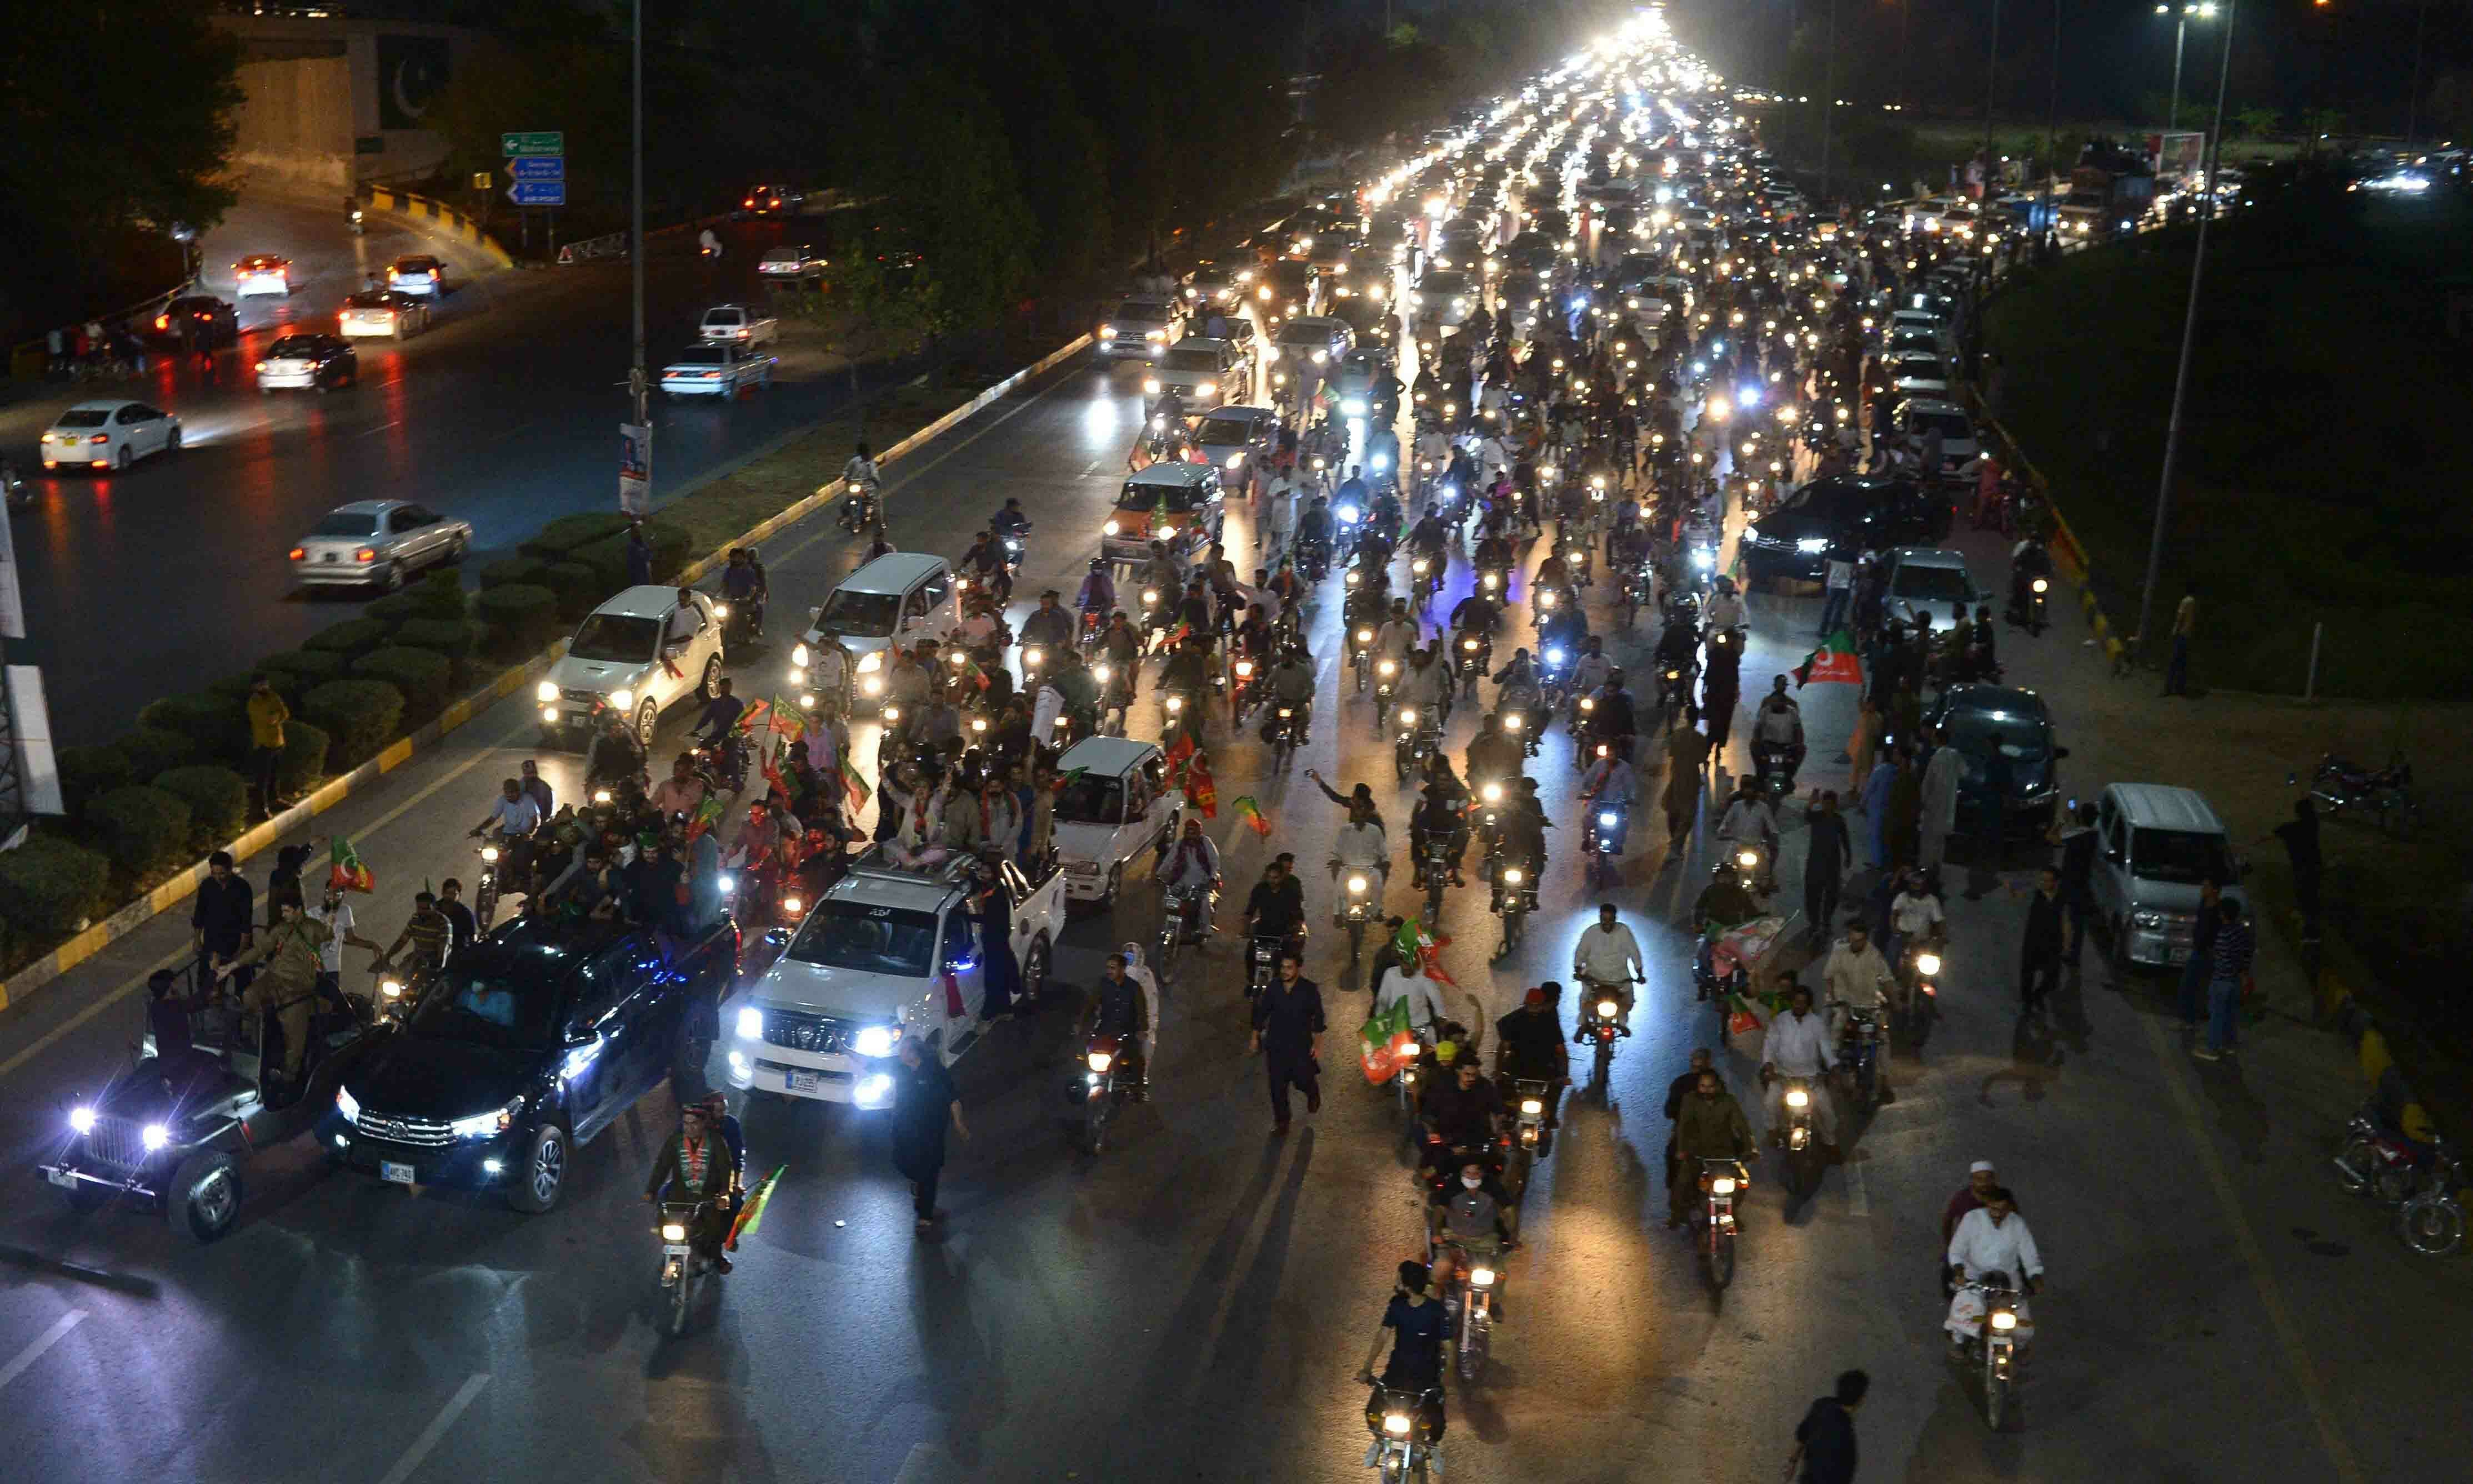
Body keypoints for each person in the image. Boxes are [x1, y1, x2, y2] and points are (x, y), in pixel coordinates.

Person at [213, 899, 332, 1087]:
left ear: (299, 910)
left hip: (298, 986)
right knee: (250, 995)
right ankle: (254, 1043)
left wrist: (329, 914)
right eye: (283, 911)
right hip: (274, 978)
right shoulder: (281, 930)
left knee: (294, 1033)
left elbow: (329, 934)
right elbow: (260, 949)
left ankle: (288, 1078)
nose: (283, 915)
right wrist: (232, 966)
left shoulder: (312, 928)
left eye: (287, 911)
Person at [1355, 1260, 1451, 1452]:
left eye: (1398, 1277)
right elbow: (1383, 1336)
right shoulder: (1397, 1305)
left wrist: (1448, 1377)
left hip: (1426, 1377)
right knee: (1372, 1413)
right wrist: (1367, 1368)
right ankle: (1379, 1440)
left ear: (1407, 1286)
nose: (1395, 1280)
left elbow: (1449, 1346)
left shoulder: (1436, 1311)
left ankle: (1432, 1446)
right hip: (1396, 1372)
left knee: (1437, 1423)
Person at [1944, 1187, 2045, 1351]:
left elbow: (2030, 1256)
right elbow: (1957, 1250)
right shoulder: (1972, 1220)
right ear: (1987, 1205)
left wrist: (2035, 1277)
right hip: (1974, 1280)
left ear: (2010, 1209)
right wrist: (1958, 1270)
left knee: (2023, 1330)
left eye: (2003, 1210)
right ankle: (1960, 1343)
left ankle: (2019, 1349)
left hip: (2009, 1284)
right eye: (1994, 1209)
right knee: (1963, 1319)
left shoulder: (2017, 1224)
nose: (1998, 1214)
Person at [643, 1099, 737, 1272]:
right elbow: (662, 1166)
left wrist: (724, 1193)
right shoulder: (675, 1141)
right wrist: (651, 1189)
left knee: (715, 1225)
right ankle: (670, 1254)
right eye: (686, 1124)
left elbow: (726, 1168)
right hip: (680, 1193)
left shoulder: (716, 1142)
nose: (689, 1128)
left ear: (703, 1124)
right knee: (663, 1221)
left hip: (708, 1194)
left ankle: (716, 1257)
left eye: (694, 1124)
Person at [890, 1034, 967, 1230]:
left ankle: (925, 1216)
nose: (899, 1053)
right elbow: (870, 1062)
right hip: (903, 1129)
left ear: (914, 1053)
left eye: (903, 1050)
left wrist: (959, 1123)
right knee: (902, 1163)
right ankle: (917, 1182)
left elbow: (953, 1099)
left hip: (930, 1132)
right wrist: (846, 1049)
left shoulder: (934, 1072)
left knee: (929, 1172)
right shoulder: (899, 1067)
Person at [1668, 1067, 1756, 1226]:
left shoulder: (1729, 1101)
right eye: (1703, 1086)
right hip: (1697, 1152)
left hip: (1724, 1152)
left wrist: (1750, 1149)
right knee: (1684, 1181)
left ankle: (1732, 1211)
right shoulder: (1690, 1100)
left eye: (1710, 1087)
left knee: (1741, 1182)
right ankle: (1678, 1214)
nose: (1706, 1090)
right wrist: (1682, 1149)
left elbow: (1742, 1126)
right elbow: (1684, 1126)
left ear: (1717, 1086)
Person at [1250, 949, 1326, 1133]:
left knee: (1303, 1080)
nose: (1285, 971)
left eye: (1289, 968)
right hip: (1276, 1046)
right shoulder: (1273, 988)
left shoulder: (1309, 990)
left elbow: (1319, 1018)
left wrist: (1317, 1045)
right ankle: (1282, 1122)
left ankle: (1313, 1094)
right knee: (1277, 1087)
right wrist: (1254, 1036)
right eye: (1282, 967)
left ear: (1298, 968)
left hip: (1301, 1047)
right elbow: (1262, 1013)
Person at [1760, 985, 1839, 1151]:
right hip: (1783, 1076)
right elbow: (1770, 1045)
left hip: (1811, 1078)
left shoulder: (1817, 1023)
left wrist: (1833, 1067)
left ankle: (1830, 1142)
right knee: (1770, 1104)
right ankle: (1773, 1132)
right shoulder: (1780, 1021)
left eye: (1803, 1003)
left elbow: (1826, 1048)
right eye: (1796, 1002)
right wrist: (1769, 1066)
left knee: (1827, 1112)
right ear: (1791, 1003)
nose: (1799, 1006)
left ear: (1809, 1005)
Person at [1493, 986, 1570, 1131]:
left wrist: (1565, 1074)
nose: (1534, 1010)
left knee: (1556, 1088)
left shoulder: (1550, 1021)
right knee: (1502, 1084)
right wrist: (1498, 1071)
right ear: (1526, 1005)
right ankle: (1508, 1114)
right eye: (1531, 1006)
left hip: (1545, 1065)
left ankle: (1550, 1117)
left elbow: (1561, 1050)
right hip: (1519, 1063)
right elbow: (1503, 1047)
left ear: (1542, 1006)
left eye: (1537, 1006)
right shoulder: (1515, 1020)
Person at [1082, 952, 1155, 1095]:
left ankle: (1138, 1089)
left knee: (1137, 1059)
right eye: (1108, 967)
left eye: (1113, 968)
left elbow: (1142, 1011)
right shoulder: (1103, 984)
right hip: (1105, 1029)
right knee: (1087, 1052)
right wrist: (1081, 1023)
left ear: (1122, 969)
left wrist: (1142, 1030)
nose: (1109, 971)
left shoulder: (1134, 987)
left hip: (1127, 1032)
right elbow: (1090, 1005)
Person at [1785, 1370, 1870, 1484]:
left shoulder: (1822, 1406)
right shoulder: (1845, 1438)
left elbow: (1802, 1435)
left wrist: (1792, 1462)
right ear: (1861, 1399)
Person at [2196, 895, 2254, 1061]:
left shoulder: (2223, 935)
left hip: (2222, 979)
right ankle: (2229, 1045)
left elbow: (2220, 958)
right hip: (2236, 980)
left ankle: (2212, 1048)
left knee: (2217, 1015)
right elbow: (2246, 954)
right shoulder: (2243, 931)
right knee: (2231, 1014)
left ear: (2223, 914)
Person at [1571, 903, 1645, 1033]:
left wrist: (1639, 973)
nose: (1607, 923)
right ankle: (1583, 1024)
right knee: (1585, 997)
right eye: (1604, 919)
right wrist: (1577, 970)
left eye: (1610, 920)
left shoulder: (1624, 932)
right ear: (1600, 918)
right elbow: (1580, 952)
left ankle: (1622, 1024)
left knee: (1628, 999)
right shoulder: (1591, 932)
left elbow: (1635, 953)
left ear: (1615, 919)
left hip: (1619, 978)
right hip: (1594, 977)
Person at [193, 850, 256, 974]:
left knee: (243, 984)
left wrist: (240, 953)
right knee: (210, 985)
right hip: (213, 944)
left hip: (236, 943)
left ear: (230, 870)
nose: (218, 878)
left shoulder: (242, 888)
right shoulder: (207, 886)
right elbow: (199, 914)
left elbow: (246, 922)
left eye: (221, 874)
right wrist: (197, 940)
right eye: (214, 873)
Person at [2015, 867, 2065, 1016]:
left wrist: (2065, 943)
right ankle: (2027, 1002)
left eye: (2048, 880)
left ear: (2056, 882)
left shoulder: (2060, 899)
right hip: (2033, 942)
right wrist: (2017, 887)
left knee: (2052, 978)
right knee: (2028, 974)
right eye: (2043, 879)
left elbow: (2065, 920)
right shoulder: (2035, 895)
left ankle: (2037, 996)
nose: (2045, 883)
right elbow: (2017, 890)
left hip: (2052, 944)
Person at [1805, 791, 1854, 937]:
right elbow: (1807, 816)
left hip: (1833, 864)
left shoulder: (1839, 820)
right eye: (1825, 804)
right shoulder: (1816, 816)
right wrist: (1811, 803)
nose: (1827, 807)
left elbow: (1845, 839)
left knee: (1832, 895)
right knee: (1813, 894)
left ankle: (1826, 922)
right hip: (1815, 863)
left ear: (1835, 805)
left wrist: (1848, 856)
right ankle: (1814, 923)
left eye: (1830, 804)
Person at [1159, 818, 1222, 932]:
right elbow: (1168, 860)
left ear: (1199, 833)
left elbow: (1214, 862)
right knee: (1168, 901)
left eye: (1194, 833)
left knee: (1205, 904)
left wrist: (1212, 878)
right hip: (1182, 881)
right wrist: (1161, 874)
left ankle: (1205, 930)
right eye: (1189, 832)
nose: (1191, 837)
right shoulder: (1180, 844)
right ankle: (1168, 930)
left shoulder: (1206, 842)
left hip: (1202, 882)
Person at [2274, 798, 2322, 943]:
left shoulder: (2292, 829)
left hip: (2302, 870)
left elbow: (2278, 831)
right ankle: (2310, 928)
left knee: (2306, 900)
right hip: (2314, 868)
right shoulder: (2312, 825)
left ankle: (2310, 934)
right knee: (2311, 898)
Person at [1245, 855, 1308, 961]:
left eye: (1288, 869)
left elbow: (1298, 911)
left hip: (1286, 931)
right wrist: (1245, 928)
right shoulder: (1260, 889)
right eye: (1270, 877)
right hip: (1265, 930)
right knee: (1251, 953)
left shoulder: (1292, 889)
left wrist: (1296, 929)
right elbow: (1250, 911)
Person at [1918, 725, 1963, 870]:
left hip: (1933, 805)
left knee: (1928, 840)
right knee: (1940, 841)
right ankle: (1937, 868)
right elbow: (1965, 772)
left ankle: (1925, 868)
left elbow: (1927, 783)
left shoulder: (1935, 758)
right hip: (1948, 805)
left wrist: (1922, 802)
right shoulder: (1955, 755)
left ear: (1937, 740)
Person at [246, 675, 291, 818]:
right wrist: (276, 716)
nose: (265, 687)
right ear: (254, 687)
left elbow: (285, 713)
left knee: (275, 775)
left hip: (278, 741)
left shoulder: (274, 697)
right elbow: (268, 720)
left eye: (266, 684)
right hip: (263, 744)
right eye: (261, 685)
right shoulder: (254, 703)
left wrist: (275, 716)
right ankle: (262, 808)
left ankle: (275, 799)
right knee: (263, 778)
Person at [2164, 582, 2197, 697]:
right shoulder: (2194, 602)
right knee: (2182, 663)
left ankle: (2168, 688)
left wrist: (2174, 631)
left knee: (2173, 662)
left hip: (2181, 634)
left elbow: (2180, 618)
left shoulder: (2186, 601)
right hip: (2188, 635)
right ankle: (2180, 687)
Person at [435, 879, 478, 952]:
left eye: (454, 894)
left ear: (459, 895)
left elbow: (473, 937)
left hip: (458, 954)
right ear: (443, 893)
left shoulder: (466, 914)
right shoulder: (435, 909)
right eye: (448, 893)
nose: (450, 897)